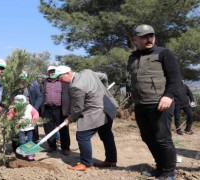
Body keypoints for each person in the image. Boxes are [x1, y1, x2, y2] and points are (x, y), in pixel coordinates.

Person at [127, 24, 182, 179]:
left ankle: (169, 172)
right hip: (140, 104)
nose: (149, 39)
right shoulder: (133, 57)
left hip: (160, 103)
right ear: (135, 40)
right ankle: (160, 167)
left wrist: (168, 96)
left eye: (151, 35)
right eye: (144, 36)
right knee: (147, 137)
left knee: (162, 138)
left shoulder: (164, 53)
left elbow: (175, 78)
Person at [51, 66, 118, 171]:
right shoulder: (87, 72)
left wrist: (69, 119)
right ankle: (111, 160)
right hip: (109, 107)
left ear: (68, 73)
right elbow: (104, 76)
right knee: (106, 135)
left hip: (97, 111)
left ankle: (86, 164)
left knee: (82, 136)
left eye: (60, 78)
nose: (61, 82)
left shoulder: (76, 86)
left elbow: (77, 108)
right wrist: (105, 89)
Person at [40, 66, 71, 156]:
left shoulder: (63, 82)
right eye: (50, 71)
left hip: (60, 109)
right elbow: (41, 95)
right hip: (47, 109)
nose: (52, 73)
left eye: (54, 71)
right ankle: (52, 146)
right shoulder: (43, 82)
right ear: (47, 73)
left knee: (63, 129)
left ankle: (65, 148)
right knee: (48, 128)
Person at [7, 94, 39, 161]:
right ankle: (24, 152)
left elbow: (35, 113)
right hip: (20, 128)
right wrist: (8, 119)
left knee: (29, 141)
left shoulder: (29, 107)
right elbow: (10, 113)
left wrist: (35, 119)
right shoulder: (15, 108)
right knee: (22, 141)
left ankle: (30, 154)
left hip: (29, 127)